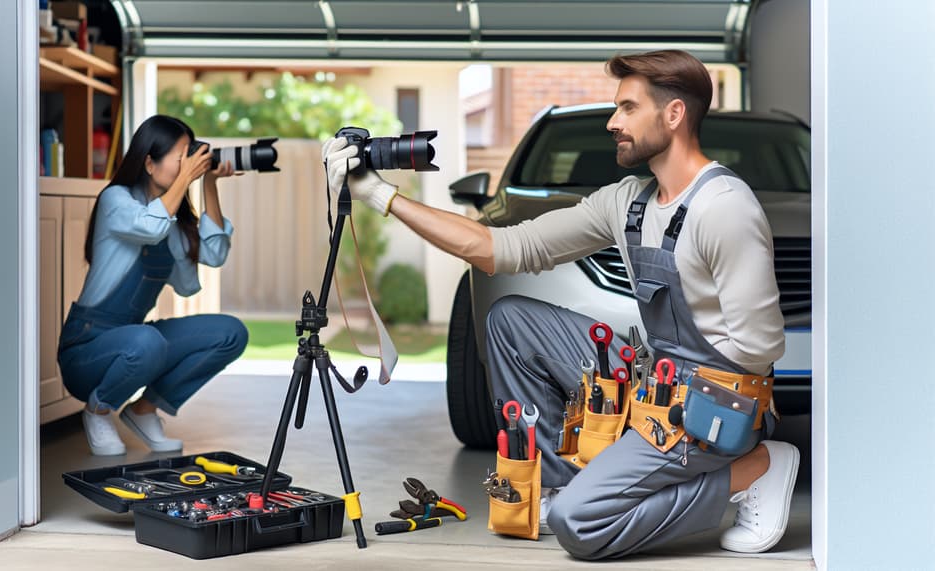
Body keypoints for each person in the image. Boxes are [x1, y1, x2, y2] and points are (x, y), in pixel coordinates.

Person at [321, 50, 800, 559]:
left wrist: (659, 412)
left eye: (628, 108)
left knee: (581, 526)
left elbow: (758, 350)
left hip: (714, 402)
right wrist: (381, 197)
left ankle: (755, 470)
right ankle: (558, 482)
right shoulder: (627, 201)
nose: (613, 122)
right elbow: (503, 248)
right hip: (659, 375)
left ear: (674, 114)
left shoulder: (724, 207)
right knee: (510, 320)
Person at [58, 114, 249, 456]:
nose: (189, 165)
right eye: (182, 158)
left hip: (135, 343)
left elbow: (215, 254)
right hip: (86, 350)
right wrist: (185, 180)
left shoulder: (174, 222)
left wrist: (208, 185)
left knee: (230, 332)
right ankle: (98, 410)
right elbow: (150, 227)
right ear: (149, 162)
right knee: (147, 341)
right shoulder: (116, 200)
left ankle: (144, 409)